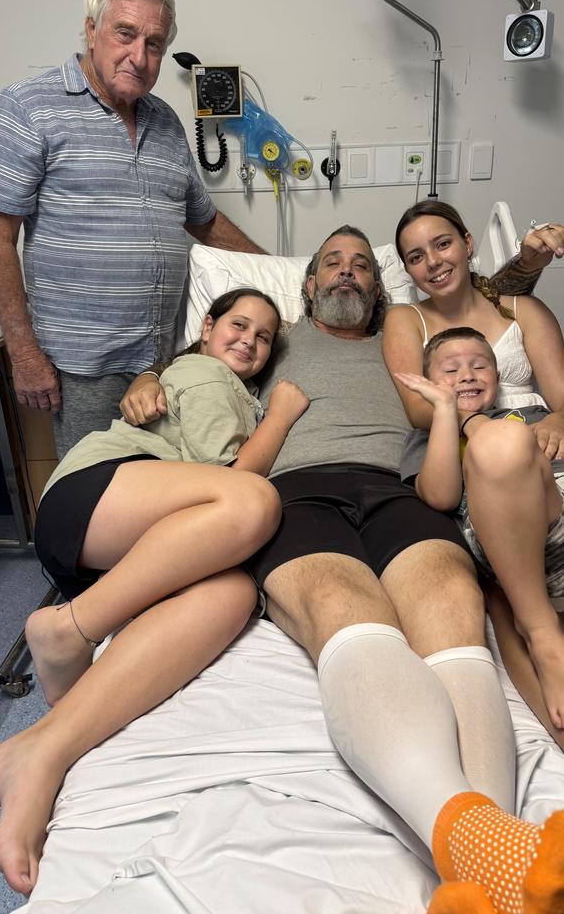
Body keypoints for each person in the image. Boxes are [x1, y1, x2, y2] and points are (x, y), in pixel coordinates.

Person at [124, 225, 564, 914]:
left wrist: (531, 260)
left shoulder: (408, 337)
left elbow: (488, 302)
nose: (347, 273)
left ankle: (485, 868)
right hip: (297, 491)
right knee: (343, 604)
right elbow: (202, 354)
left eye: (362, 265)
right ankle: (491, 855)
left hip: (399, 488)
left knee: (451, 602)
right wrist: (148, 376)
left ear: (379, 284)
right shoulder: (275, 340)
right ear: (308, 284)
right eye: (332, 263)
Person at [0, 288, 309, 895]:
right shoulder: (207, 373)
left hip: (116, 538)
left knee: (232, 595)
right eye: (239, 324)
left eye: (264, 337)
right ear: (207, 328)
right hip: (91, 494)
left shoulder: (225, 386)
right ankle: (68, 627)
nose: (251, 342)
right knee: (253, 502)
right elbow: (232, 476)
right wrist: (284, 414)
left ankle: (37, 754)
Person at [0, 0, 265, 458]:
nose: (139, 56)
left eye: (154, 43)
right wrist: (24, 354)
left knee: (170, 488)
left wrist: (281, 273)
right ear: (91, 30)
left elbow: (205, 220)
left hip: (163, 359)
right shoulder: (29, 107)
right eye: (125, 34)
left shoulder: (166, 121)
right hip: (83, 366)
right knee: (95, 493)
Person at [397, 326, 564, 744]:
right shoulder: (431, 434)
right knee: (500, 442)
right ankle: (541, 631)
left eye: (479, 366)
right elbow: (439, 495)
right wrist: (455, 418)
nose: (468, 375)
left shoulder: (535, 413)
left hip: (556, 510)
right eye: (451, 370)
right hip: (511, 548)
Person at [383, 200, 564, 457]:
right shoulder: (405, 319)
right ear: (409, 271)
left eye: (443, 244)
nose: (433, 262)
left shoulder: (526, 310)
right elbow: (417, 407)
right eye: (416, 257)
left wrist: (558, 421)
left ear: (467, 244)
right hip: (463, 447)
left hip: (537, 440)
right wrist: (472, 422)